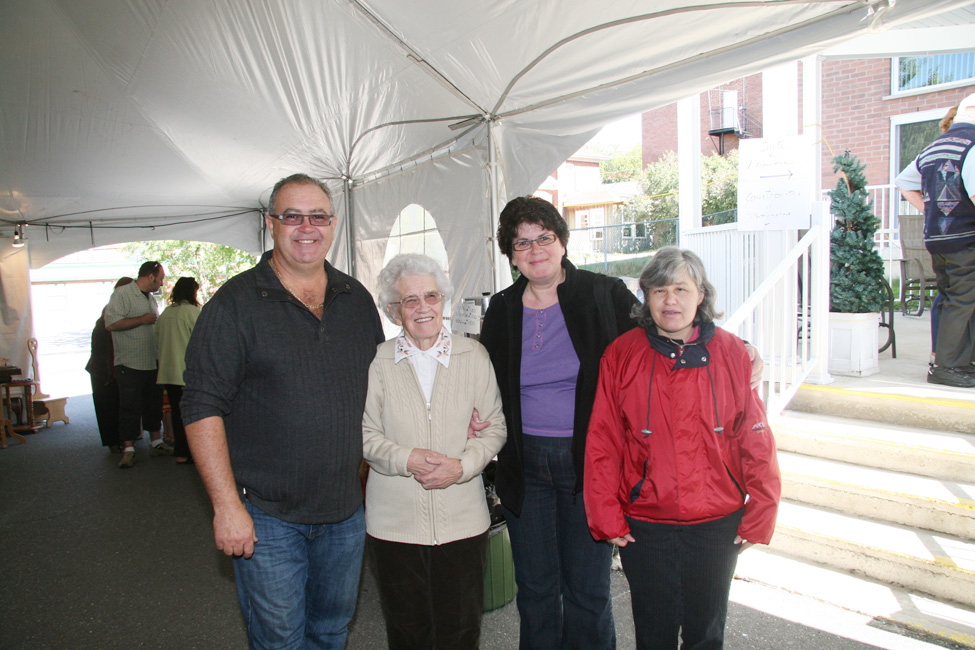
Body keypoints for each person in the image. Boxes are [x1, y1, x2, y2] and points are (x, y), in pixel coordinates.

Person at [479, 196, 764, 650]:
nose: (535, 250)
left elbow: (668, 325)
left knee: (588, 591)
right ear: (510, 254)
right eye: (521, 242)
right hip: (524, 466)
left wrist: (740, 348)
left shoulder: (602, 293)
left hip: (587, 464)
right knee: (534, 590)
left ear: (563, 241)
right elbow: (483, 374)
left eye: (544, 238)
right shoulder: (503, 309)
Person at [181, 173, 385, 649]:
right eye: (292, 215)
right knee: (280, 641)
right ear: (270, 224)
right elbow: (201, 406)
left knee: (331, 631)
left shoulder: (356, 299)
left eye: (317, 216)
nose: (306, 227)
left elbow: (386, 387)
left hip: (345, 511)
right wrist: (226, 506)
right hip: (267, 515)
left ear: (332, 224)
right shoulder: (233, 305)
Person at [584, 247, 781, 650]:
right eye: (658, 290)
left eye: (680, 289)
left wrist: (761, 510)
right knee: (653, 634)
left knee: (706, 633)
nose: (669, 300)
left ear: (700, 295)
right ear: (646, 298)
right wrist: (606, 515)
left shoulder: (732, 355)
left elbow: (755, 440)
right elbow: (603, 440)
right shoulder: (621, 355)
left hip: (716, 524)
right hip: (647, 525)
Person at [362, 253, 507, 650]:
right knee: (407, 632)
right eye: (410, 300)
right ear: (395, 310)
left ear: (443, 301)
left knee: (461, 632)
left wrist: (462, 467)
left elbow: (495, 427)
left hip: (463, 521)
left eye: (431, 296)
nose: (422, 308)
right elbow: (364, 435)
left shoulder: (473, 356)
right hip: (394, 525)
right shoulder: (378, 362)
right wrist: (405, 459)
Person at [896, 91, 975, 388]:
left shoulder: (933, 147)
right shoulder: (972, 144)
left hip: (938, 237)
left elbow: (903, 182)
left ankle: (946, 360)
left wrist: (931, 210)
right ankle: (949, 367)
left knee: (948, 295)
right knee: (964, 299)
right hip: (965, 234)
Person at [105, 261, 170, 468]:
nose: (161, 283)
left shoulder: (150, 298)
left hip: (151, 360)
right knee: (130, 406)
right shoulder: (122, 294)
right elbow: (112, 323)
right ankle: (129, 448)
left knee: (153, 403)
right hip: (130, 362)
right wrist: (141, 320)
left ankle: (156, 442)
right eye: (160, 279)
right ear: (150, 276)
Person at [156, 276, 201, 464]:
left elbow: (157, 339)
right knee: (194, 414)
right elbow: (202, 341)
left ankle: (181, 453)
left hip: (167, 372)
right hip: (187, 373)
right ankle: (193, 452)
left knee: (176, 413)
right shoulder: (192, 312)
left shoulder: (165, 313)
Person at [85, 276, 133, 452]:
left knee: (115, 406)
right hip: (104, 369)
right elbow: (107, 348)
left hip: (106, 367)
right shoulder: (111, 312)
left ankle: (119, 440)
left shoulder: (111, 309)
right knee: (110, 407)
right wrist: (109, 374)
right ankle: (115, 441)